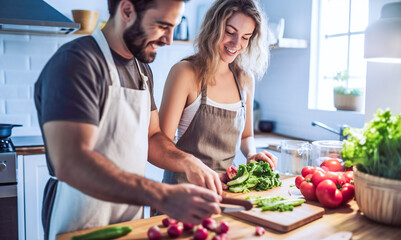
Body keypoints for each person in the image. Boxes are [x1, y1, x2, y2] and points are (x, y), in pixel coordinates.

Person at [34, 0, 223, 239]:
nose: (169, 39)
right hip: (80, 220)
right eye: (163, 26)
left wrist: (188, 162)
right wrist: (162, 195)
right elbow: (73, 162)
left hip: (128, 219)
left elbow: (153, 136)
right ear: (127, 11)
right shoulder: (77, 63)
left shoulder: (142, 70)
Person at [159, 0, 278, 186]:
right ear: (213, 27)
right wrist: (192, 166)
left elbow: (246, 136)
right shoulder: (185, 73)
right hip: (181, 192)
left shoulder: (245, 79)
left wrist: (252, 154)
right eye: (230, 32)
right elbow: (161, 143)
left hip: (223, 193)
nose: (236, 44)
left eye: (245, 37)